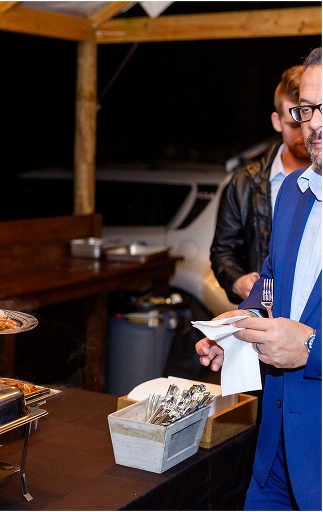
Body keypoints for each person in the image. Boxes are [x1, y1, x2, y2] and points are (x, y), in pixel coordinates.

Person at [195, 47, 321, 511]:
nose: (312, 124)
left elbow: (305, 337)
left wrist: (310, 348)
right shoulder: (292, 194)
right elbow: (271, 282)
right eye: (305, 109)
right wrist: (237, 327)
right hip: (273, 457)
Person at [211, 65, 310, 304]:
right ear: (277, 121)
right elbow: (223, 252)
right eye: (294, 124)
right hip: (264, 312)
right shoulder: (243, 184)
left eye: (308, 120)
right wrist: (238, 281)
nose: (304, 133)